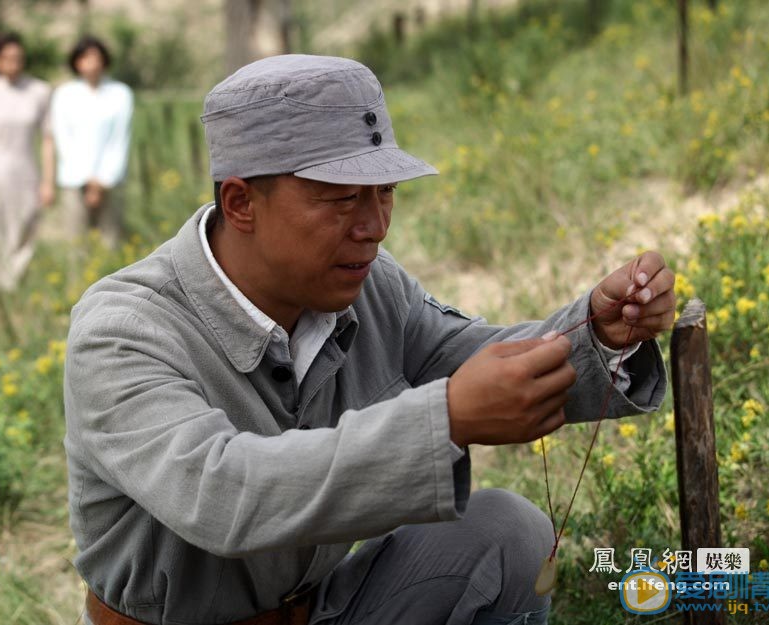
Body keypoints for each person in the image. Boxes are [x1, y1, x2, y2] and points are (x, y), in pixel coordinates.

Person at [63, 55, 674, 625]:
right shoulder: (125, 329)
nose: (375, 227)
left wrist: (596, 334)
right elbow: (222, 492)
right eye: (342, 199)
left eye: (386, 193)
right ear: (241, 200)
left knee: (507, 533)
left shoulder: (369, 286)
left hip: (322, 609)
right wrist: (447, 419)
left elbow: (468, 356)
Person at [0, 32, 54, 302]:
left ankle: (12, 283)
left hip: (25, 169)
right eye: (6, 59)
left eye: (17, 58)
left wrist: (48, 181)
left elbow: (48, 140)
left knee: (25, 226)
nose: (13, 64)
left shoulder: (40, 91)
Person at [50, 36, 133, 249]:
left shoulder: (120, 93)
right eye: (85, 58)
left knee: (110, 243)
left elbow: (119, 140)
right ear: (76, 62)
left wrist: (103, 180)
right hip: (74, 180)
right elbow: (64, 141)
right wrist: (86, 179)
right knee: (76, 245)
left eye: (96, 58)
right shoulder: (64, 95)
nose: (91, 63)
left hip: (110, 181)